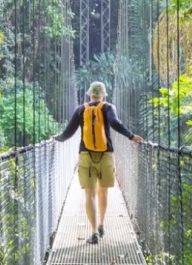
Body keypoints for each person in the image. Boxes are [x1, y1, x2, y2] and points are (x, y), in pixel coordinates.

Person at [54, 81, 142, 244]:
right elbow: (115, 123)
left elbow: (69, 132)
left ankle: (93, 232)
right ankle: (101, 225)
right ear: (103, 95)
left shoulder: (81, 109)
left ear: (89, 94)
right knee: (103, 192)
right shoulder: (108, 107)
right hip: (105, 154)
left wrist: (57, 139)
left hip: (86, 154)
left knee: (89, 194)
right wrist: (131, 136)